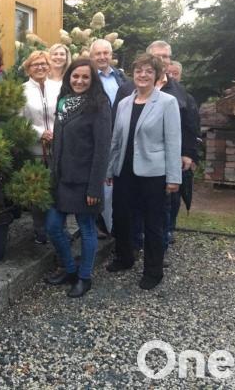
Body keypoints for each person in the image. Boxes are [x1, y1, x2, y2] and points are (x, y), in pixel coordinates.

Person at [105, 53, 181, 290]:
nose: (143, 75)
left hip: (153, 174)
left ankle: (153, 270)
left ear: (157, 75)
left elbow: (173, 141)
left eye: (149, 71)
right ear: (133, 74)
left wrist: (173, 177)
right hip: (124, 172)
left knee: (153, 224)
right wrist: (109, 169)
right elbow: (116, 140)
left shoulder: (167, 102)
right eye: (139, 70)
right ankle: (125, 258)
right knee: (122, 218)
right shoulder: (125, 103)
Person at [43, 59, 111, 297]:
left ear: (92, 80)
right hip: (61, 179)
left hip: (85, 182)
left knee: (87, 229)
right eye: (75, 76)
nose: (79, 81)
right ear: (68, 77)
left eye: (85, 77)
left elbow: (102, 149)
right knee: (52, 226)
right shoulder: (63, 103)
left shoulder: (100, 104)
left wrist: (95, 188)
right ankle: (70, 269)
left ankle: (84, 277)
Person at [146, 41, 199, 248]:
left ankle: (162, 242)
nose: (162, 60)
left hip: (169, 157)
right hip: (141, 156)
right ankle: (139, 240)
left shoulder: (180, 92)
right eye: (158, 56)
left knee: (167, 202)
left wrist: (187, 153)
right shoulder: (135, 86)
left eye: (166, 56)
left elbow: (190, 125)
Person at [19, 50, 61, 244]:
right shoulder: (22, 90)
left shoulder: (58, 88)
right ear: (29, 68)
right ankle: (40, 230)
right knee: (37, 191)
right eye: (36, 64)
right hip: (35, 150)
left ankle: (56, 228)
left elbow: (65, 114)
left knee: (57, 188)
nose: (40, 67)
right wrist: (39, 133)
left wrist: (55, 132)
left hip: (58, 147)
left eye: (44, 64)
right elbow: (18, 121)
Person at [89, 39, 127, 240]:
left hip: (120, 135)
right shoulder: (87, 78)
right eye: (98, 54)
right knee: (98, 180)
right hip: (96, 137)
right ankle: (97, 223)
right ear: (91, 56)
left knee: (115, 180)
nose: (103, 57)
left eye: (106, 53)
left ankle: (114, 224)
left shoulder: (120, 77)